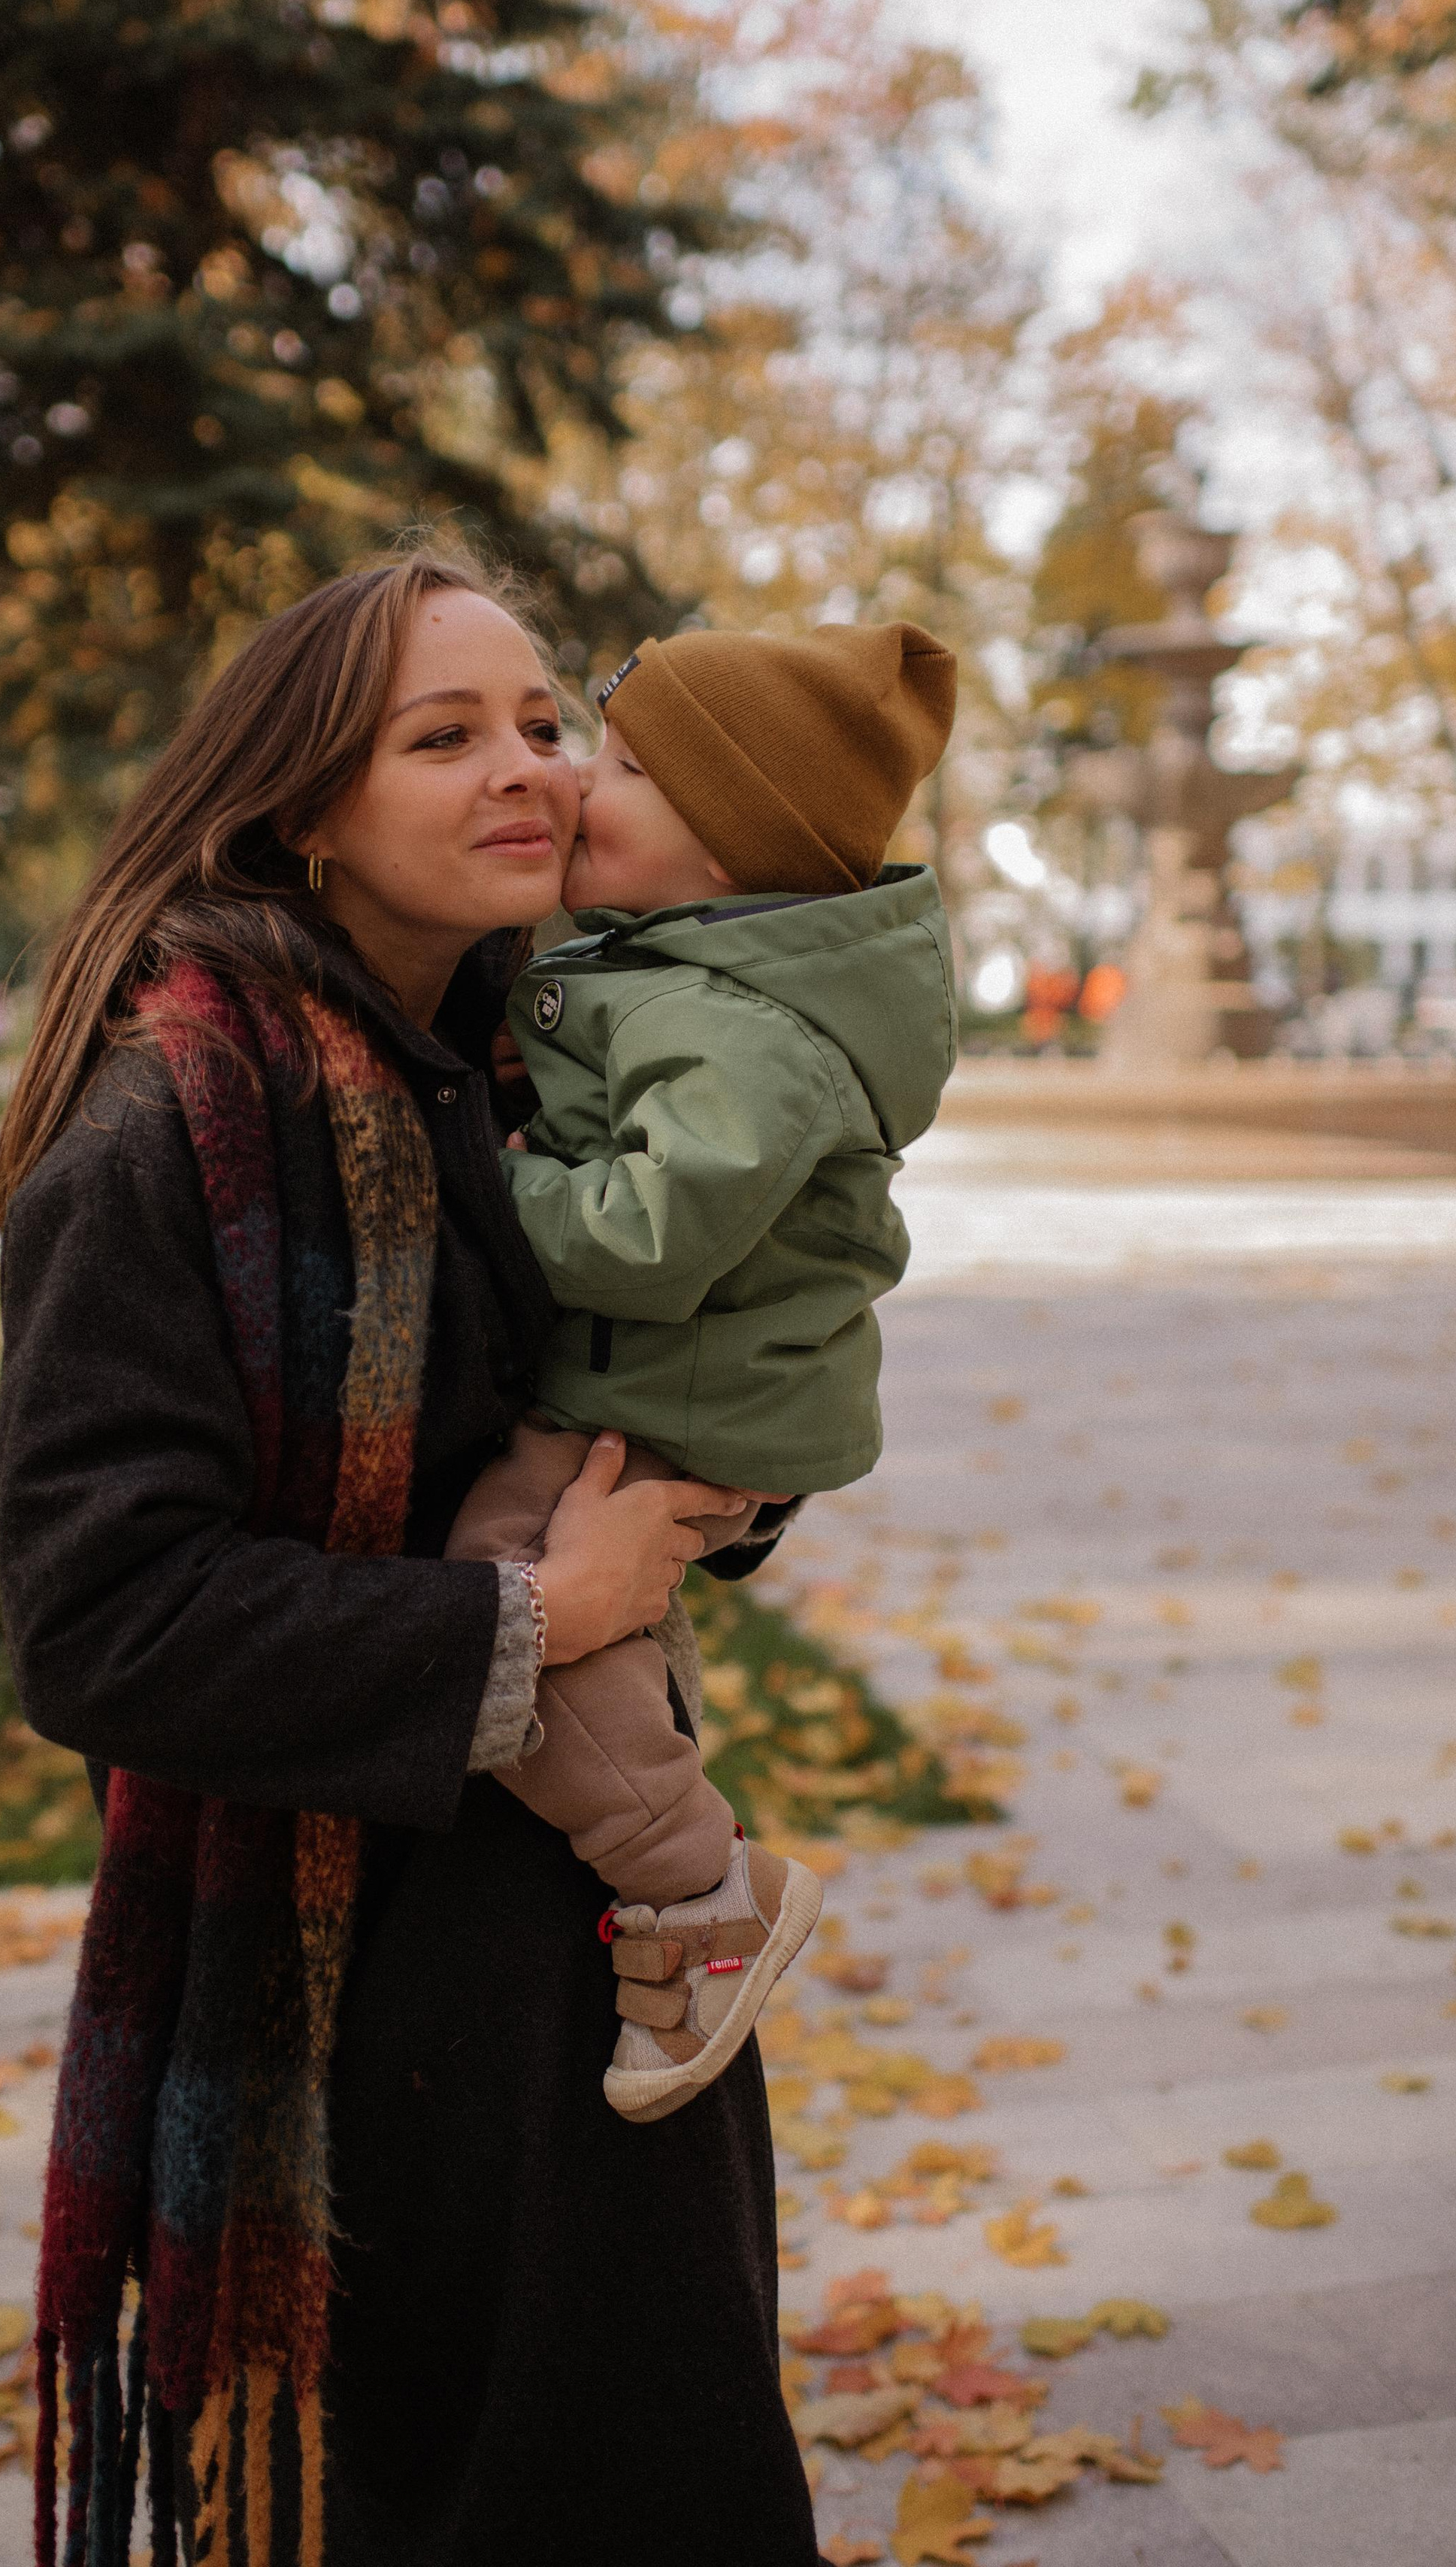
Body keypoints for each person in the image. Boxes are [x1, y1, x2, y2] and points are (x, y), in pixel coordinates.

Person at [0, 550, 825, 2567]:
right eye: (441, 734)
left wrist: (719, 1482)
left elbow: (620, 1412)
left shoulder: (540, 1072)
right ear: (299, 805)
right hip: (355, 1994)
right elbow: (102, 1620)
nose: (526, 766)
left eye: (544, 718)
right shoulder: (177, 1117)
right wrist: (548, 1613)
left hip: (604, 1946)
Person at [442, 623, 957, 2122]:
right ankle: (685, 1883)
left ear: (731, 847)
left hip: (681, 1404)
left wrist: (478, 1180)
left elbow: (649, 1234)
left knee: (508, 1592)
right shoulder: (681, 970)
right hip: (671, 1384)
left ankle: (694, 1888)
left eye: (628, 765)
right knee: (529, 1600)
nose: (579, 782)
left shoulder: (746, 1033)